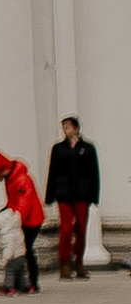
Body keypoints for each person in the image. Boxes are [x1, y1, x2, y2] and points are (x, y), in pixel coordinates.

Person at [48, 117, 101, 279]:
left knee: (81, 229)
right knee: (65, 229)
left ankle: (79, 262)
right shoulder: (58, 149)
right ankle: (64, 262)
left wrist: (94, 195)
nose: (66, 130)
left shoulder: (88, 148)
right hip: (64, 193)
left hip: (81, 193)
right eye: (64, 127)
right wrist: (50, 195)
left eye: (69, 126)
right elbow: (53, 172)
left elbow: (94, 172)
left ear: (77, 128)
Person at [0, 148, 44, 296]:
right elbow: (13, 201)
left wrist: (13, 219)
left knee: (25, 249)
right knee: (23, 250)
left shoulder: (21, 180)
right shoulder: (11, 179)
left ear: (5, 169)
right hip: (22, 219)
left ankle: (31, 282)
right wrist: (7, 211)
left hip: (31, 220)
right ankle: (23, 283)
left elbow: (24, 203)